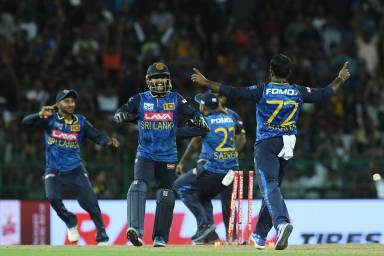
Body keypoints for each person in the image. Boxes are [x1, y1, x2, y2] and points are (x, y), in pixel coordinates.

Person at [190, 54, 350, 250]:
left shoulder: (262, 90)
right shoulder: (297, 91)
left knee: (269, 187)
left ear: (271, 71)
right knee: (272, 189)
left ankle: (281, 223)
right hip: (288, 143)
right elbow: (325, 93)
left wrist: (206, 82)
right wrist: (340, 77)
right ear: (289, 73)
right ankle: (260, 234)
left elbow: (231, 91)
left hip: (267, 144)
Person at [114, 62, 208, 247]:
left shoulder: (175, 99)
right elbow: (122, 111)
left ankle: (160, 238)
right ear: (148, 80)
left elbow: (197, 119)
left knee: (166, 194)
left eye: (163, 77)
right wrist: (121, 116)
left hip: (168, 157)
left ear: (168, 79)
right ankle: (135, 230)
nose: (160, 81)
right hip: (145, 155)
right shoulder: (140, 99)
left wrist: (183, 129)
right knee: (138, 186)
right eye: (156, 78)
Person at [22, 89, 120, 245]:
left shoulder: (80, 121)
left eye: (73, 101)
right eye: (67, 101)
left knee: (91, 203)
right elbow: (25, 123)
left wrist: (108, 142)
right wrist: (40, 114)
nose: (71, 104)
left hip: (75, 170)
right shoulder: (49, 119)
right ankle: (70, 221)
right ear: (58, 103)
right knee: (52, 197)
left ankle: (102, 236)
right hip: (53, 169)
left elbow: (96, 135)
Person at [176, 90, 246, 243]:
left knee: (180, 186)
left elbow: (182, 134)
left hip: (213, 170)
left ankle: (205, 224)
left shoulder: (203, 121)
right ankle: (213, 236)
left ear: (203, 107)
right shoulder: (230, 118)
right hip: (231, 170)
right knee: (204, 196)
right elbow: (241, 136)